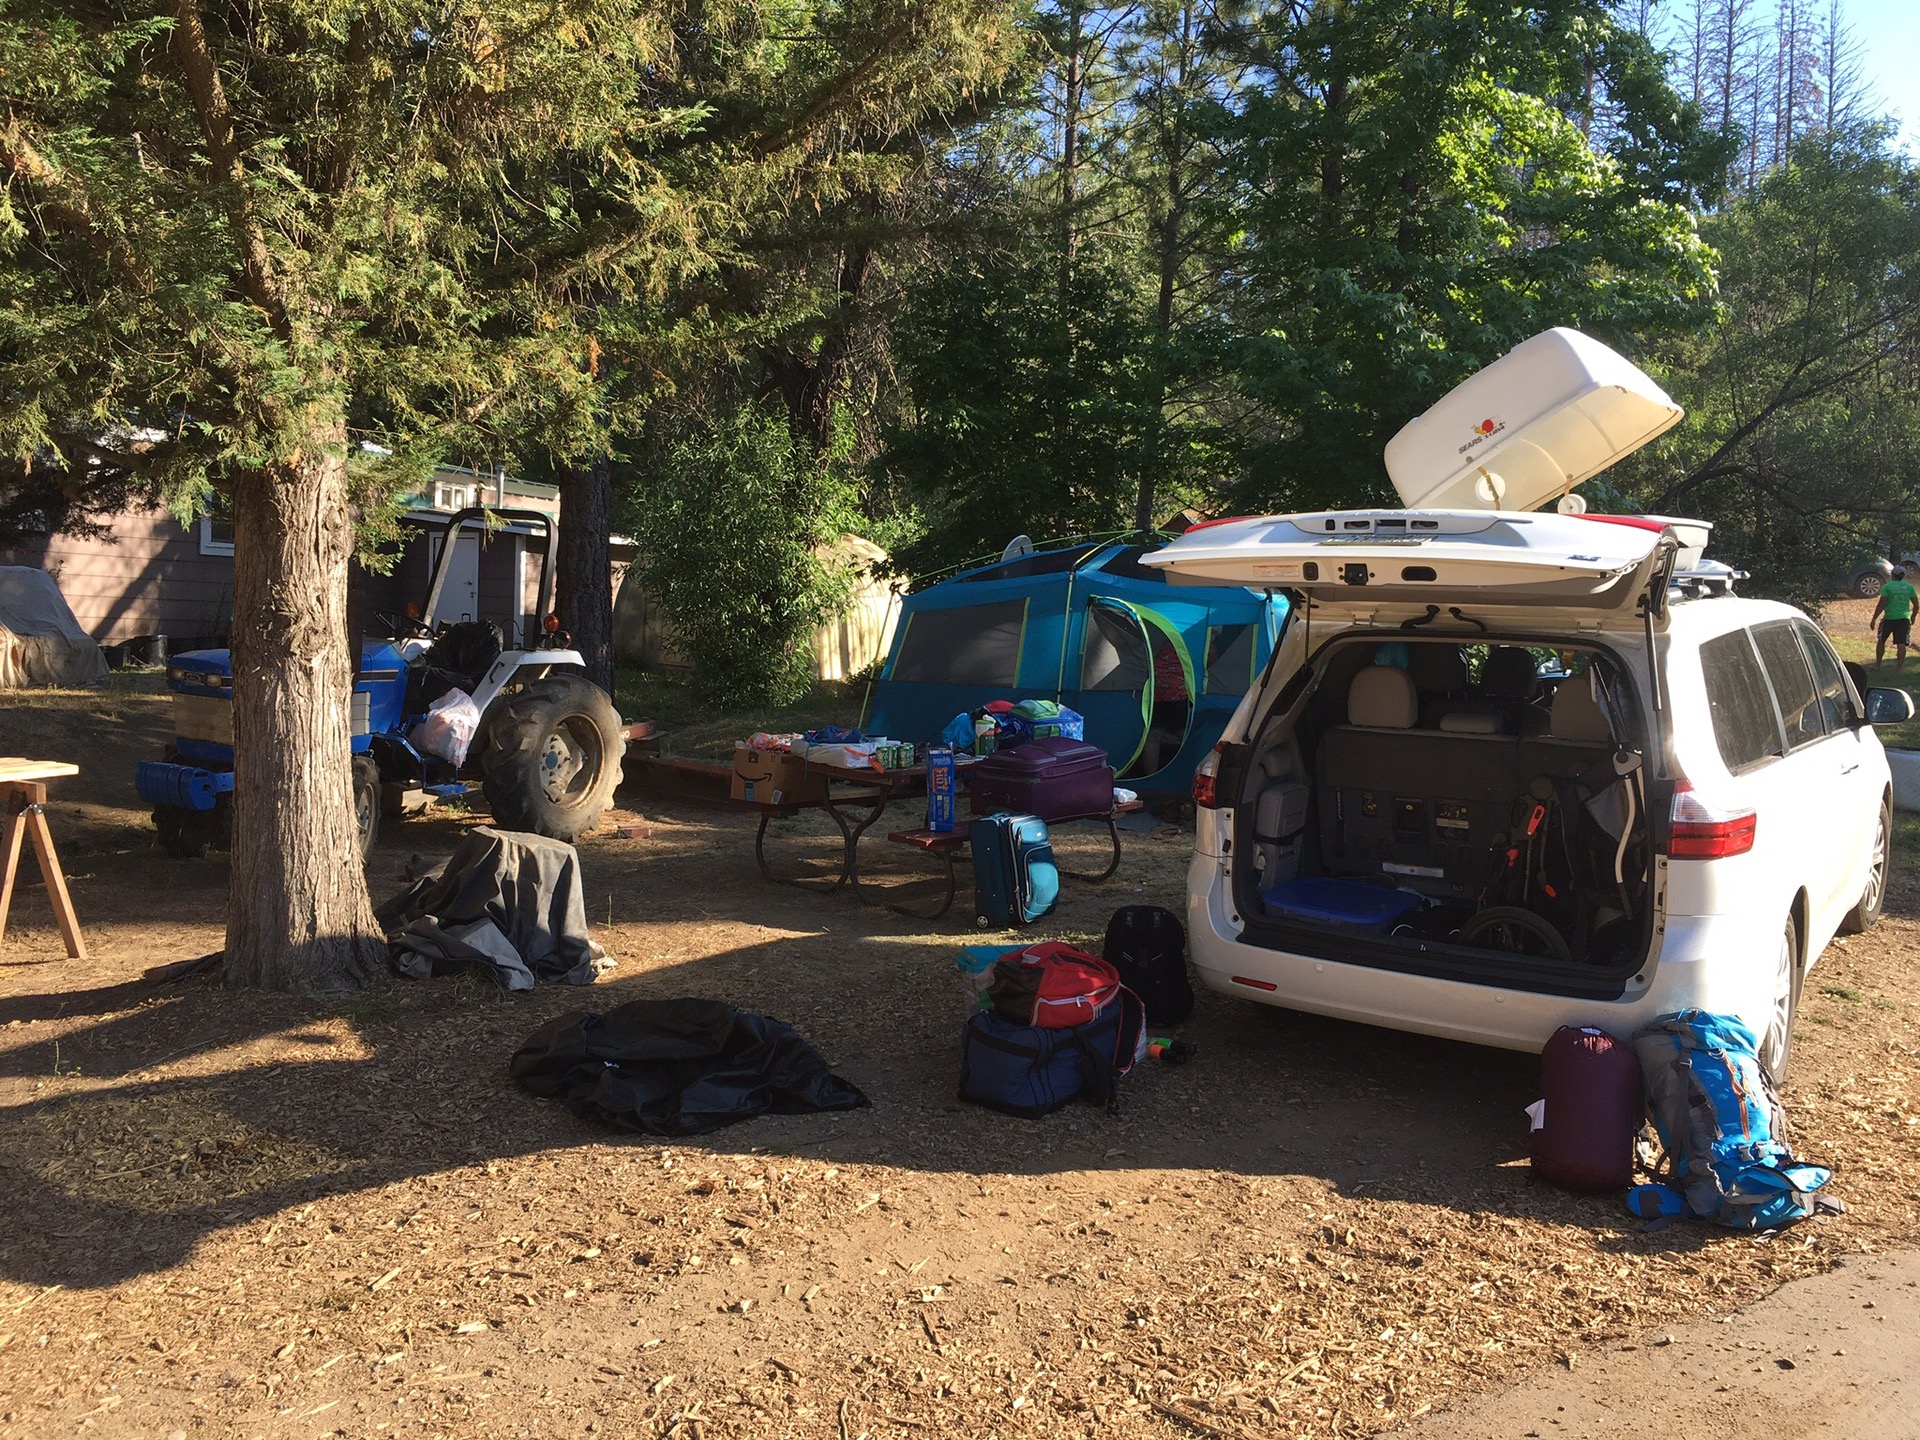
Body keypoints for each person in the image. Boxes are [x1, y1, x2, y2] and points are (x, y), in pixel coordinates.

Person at [1871, 565, 1918, 670]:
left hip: (1889, 618)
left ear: (1893, 575)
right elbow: (1916, 604)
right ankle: (1899, 668)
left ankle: (1878, 665)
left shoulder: (1887, 587)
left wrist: (1874, 618)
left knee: (1881, 640)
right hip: (1904, 618)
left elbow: (1881, 604)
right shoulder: (1909, 587)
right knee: (1901, 643)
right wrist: (1913, 616)